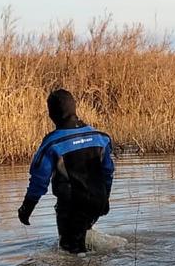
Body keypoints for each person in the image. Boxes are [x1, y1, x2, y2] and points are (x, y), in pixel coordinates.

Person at [17, 89, 115, 253]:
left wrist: (26, 209)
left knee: (70, 255)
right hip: (97, 202)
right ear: (75, 109)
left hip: (72, 206)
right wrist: (105, 198)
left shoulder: (52, 143)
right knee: (84, 241)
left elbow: (39, 182)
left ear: (51, 114)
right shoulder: (100, 137)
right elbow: (108, 172)